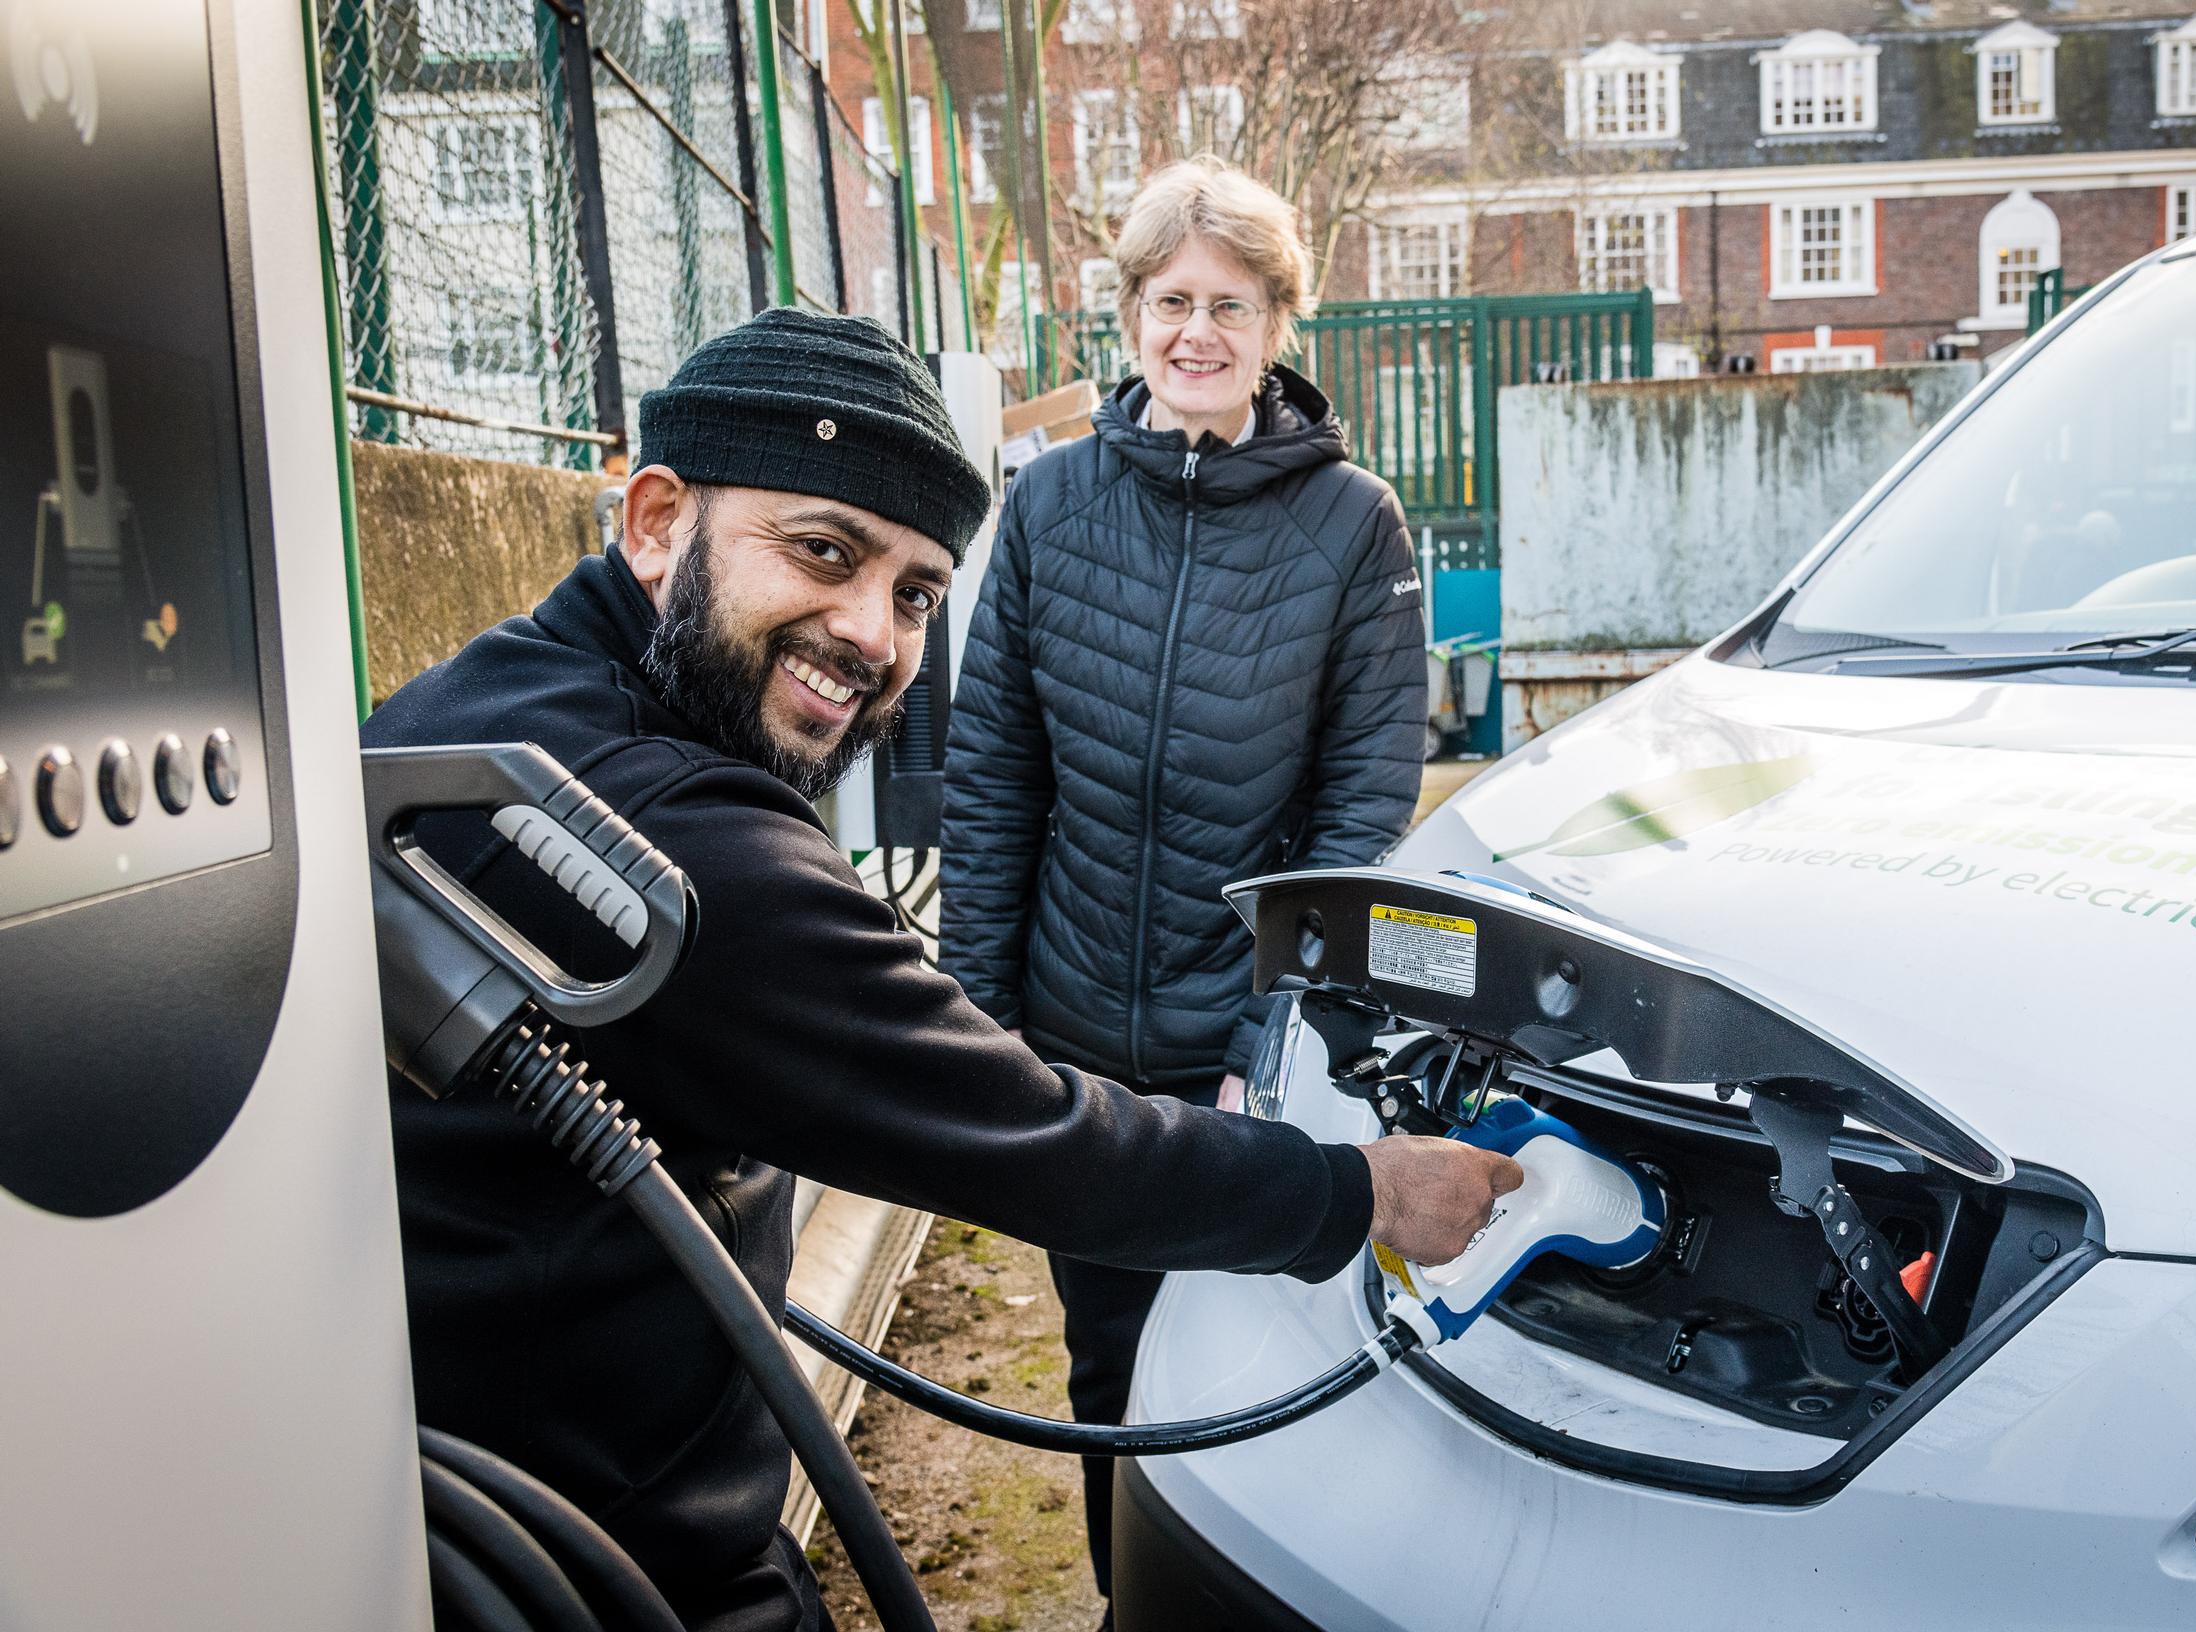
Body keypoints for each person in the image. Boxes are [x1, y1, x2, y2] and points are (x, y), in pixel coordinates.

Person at [361, 307, 1515, 1632]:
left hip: (495, 1515)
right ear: (657, 521)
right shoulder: (686, 852)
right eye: (823, 552)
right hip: (615, 1575)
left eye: (913, 593)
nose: (870, 633)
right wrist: (1359, 1189)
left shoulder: (480, 703)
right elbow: (1037, 1141)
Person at [938, 158, 1429, 1613]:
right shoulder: (1049, 508)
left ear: (1280, 319)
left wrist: (1263, 1042)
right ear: (1130, 314)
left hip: (1245, 1051)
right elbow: (992, 775)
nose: (1195, 330)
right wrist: (975, 1025)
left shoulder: (1354, 525)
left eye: (1229, 302)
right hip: (1075, 1033)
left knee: (1250, 1367)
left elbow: (1361, 808)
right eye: (1169, 301)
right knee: (1103, 1368)